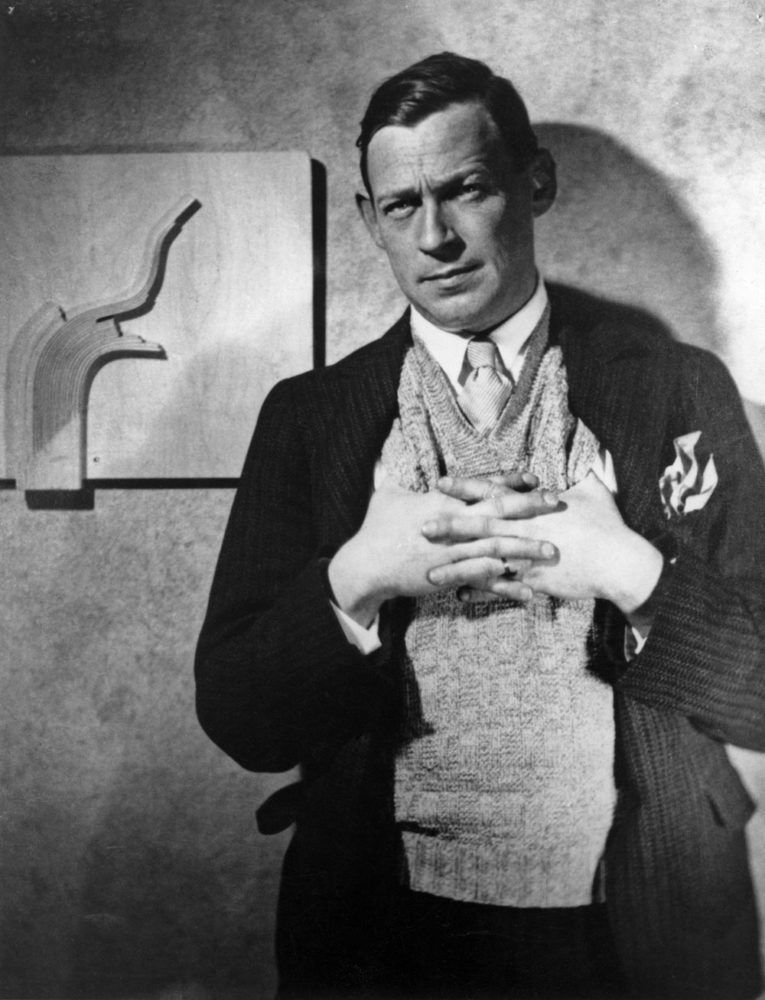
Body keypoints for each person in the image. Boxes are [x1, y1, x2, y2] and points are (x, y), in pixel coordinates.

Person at [195, 52, 765, 999]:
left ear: (532, 184)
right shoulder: (309, 417)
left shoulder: (678, 387)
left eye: (465, 190)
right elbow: (241, 718)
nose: (435, 238)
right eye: (401, 206)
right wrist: (354, 580)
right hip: (385, 934)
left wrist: (633, 575)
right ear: (368, 221)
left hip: (635, 928)